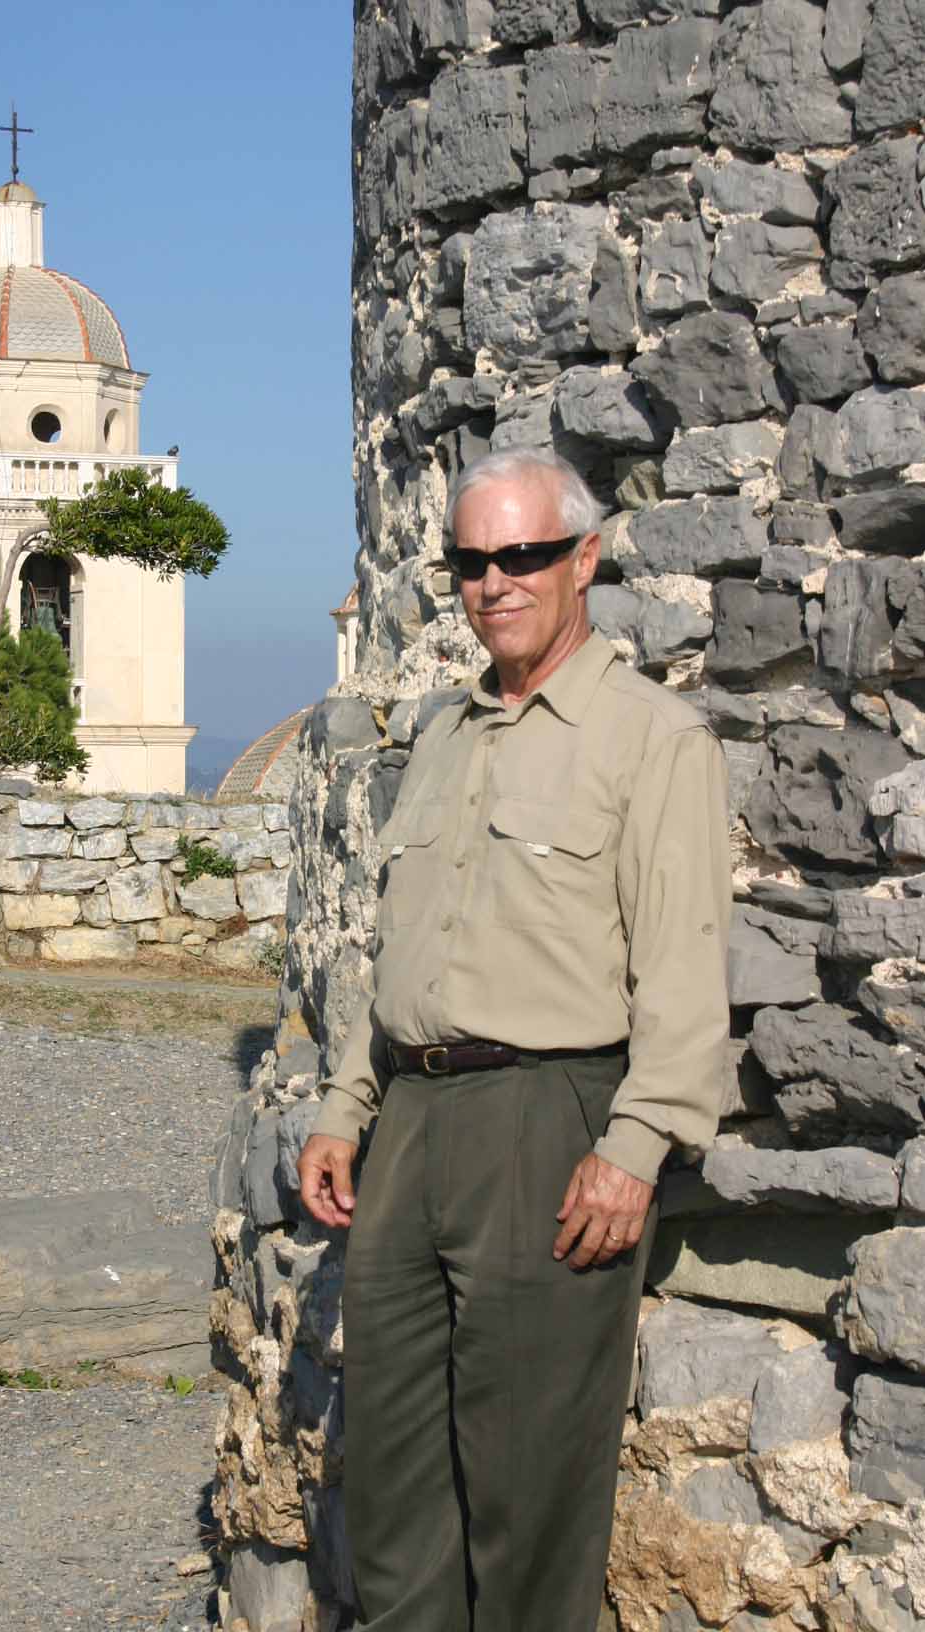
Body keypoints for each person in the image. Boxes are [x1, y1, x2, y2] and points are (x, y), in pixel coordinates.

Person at [296, 447, 732, 1632]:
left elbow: (685, 975)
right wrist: (345, 1107)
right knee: (388, 1489)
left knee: (528, 1493)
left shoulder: (652, 739)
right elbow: (397, 950)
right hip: (413, 1127)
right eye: (470, 561)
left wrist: (632, 1147)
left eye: (522, 555)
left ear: (581, 558)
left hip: (550, 1128)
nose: (494, 582)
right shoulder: (441, 736)